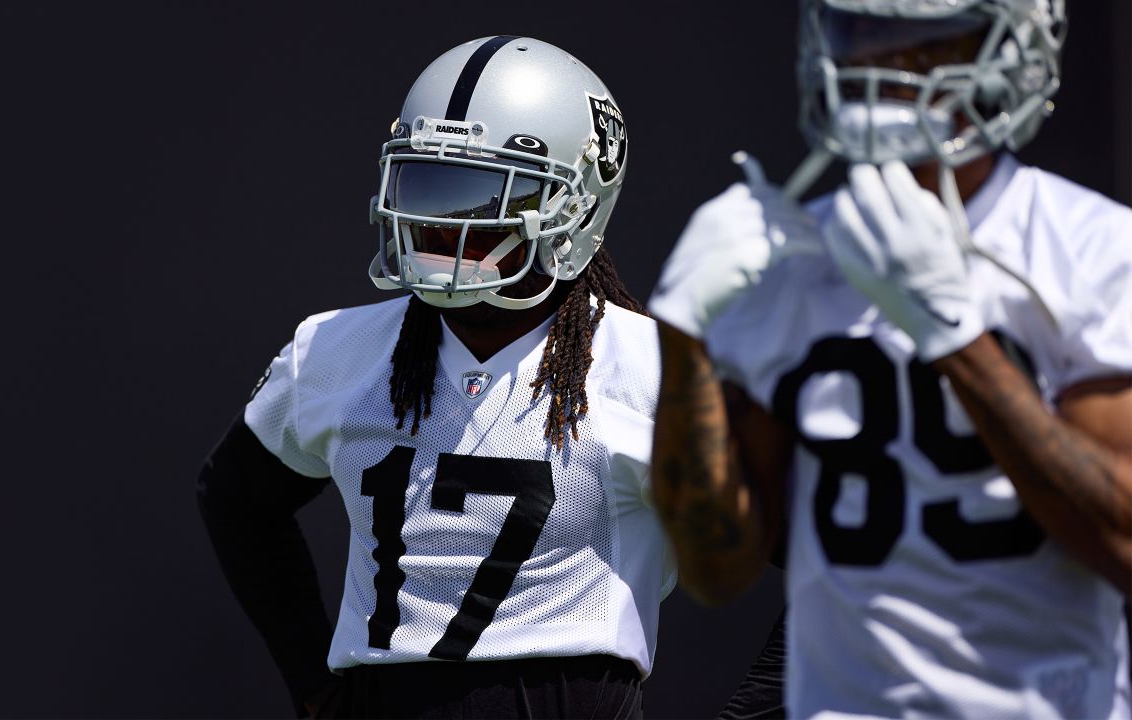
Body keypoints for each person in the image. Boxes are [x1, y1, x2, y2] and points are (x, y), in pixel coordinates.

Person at [648, 0, 1131, 717]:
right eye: (860, 31)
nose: (884, 62)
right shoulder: (787, 260)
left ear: (1012, 47)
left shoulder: (1094, 248)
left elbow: (1121, 541)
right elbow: (715, 572)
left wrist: (954, 340)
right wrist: (683, 339)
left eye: (928, 39)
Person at [198, 36, 676, 719]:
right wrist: (315, 686)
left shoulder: (653, 371)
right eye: (427, 192)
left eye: (481, 204)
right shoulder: (336, 350)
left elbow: (814, 550)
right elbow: (234, 497)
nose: (442, 231)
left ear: (576, 210)